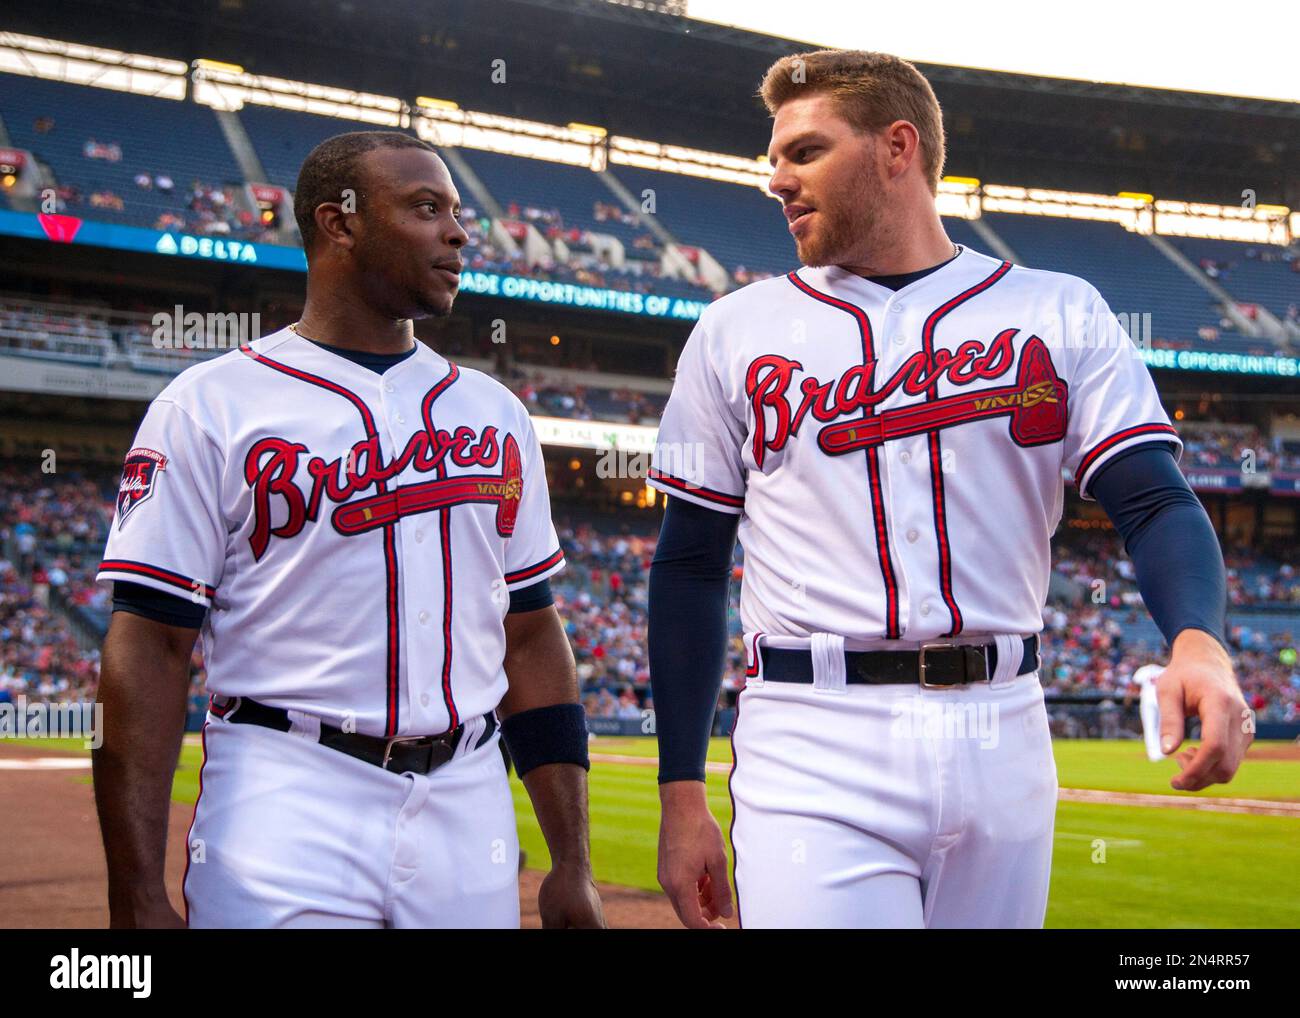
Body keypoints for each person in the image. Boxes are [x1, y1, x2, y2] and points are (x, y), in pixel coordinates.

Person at [646, 49, 1251, 930]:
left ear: (898, 148)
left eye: (805, 152)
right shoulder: (734, 329)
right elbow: (690, 566)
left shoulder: (1058, 310)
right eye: (775, 155)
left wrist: (1200, 640)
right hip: (815, 733)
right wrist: (679, 792)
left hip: (1004, 724)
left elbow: (1153, 500)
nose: (775, 178)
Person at [92, 131, 605, 929]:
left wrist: (572, 863)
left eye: (457, 212)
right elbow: (151, 646)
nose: (459, 234)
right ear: (339, 224)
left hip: (469, 797)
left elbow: (532, 636)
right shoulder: (210, 404)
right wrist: (135, 893)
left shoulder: (495, 412)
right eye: (426, 209)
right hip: (286, 789)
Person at [1132, 663, 1166, 761]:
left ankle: (1154, 753)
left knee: (1150, 726)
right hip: (1160, 698)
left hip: (1148, 699)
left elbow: (1135, 684)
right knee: (1159, 725)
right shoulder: (1164, 670)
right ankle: (1161, 751)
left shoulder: (1143, 670)